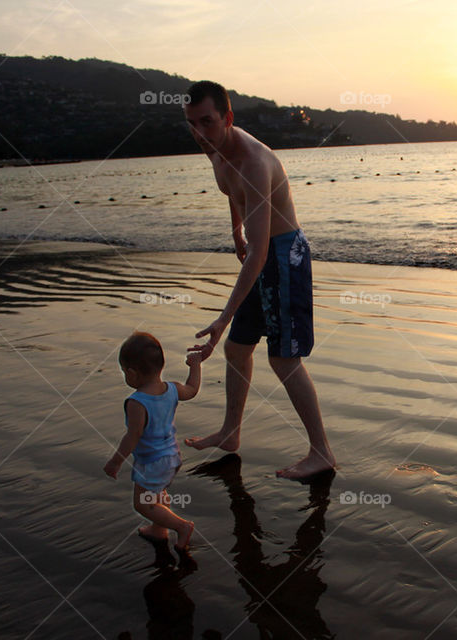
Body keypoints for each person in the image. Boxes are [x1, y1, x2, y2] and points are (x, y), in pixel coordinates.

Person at [181, 80, 335, 480]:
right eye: (192, 124)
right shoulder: (213, 147)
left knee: (283, 357)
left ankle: (322, 452)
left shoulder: (253, 162)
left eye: (208, 122)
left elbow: (262, 253)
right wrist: (236, 230)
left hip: (284, 256)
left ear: (228, 118)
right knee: (237, 350)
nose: (199, 132)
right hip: (261, 253)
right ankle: (231, 434)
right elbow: (233, 195)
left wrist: (221, 317)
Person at [104, 331, 201, 559]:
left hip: (153, 461)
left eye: (123, 372)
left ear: (131, 373)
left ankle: (181, 526)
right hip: (172, 457)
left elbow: (133, 436)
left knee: (143, 503)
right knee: (157, 493)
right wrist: (195, 365)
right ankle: (159, 530)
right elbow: (193, 389)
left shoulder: (137, 402)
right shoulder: (173, 389)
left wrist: (115, 461)